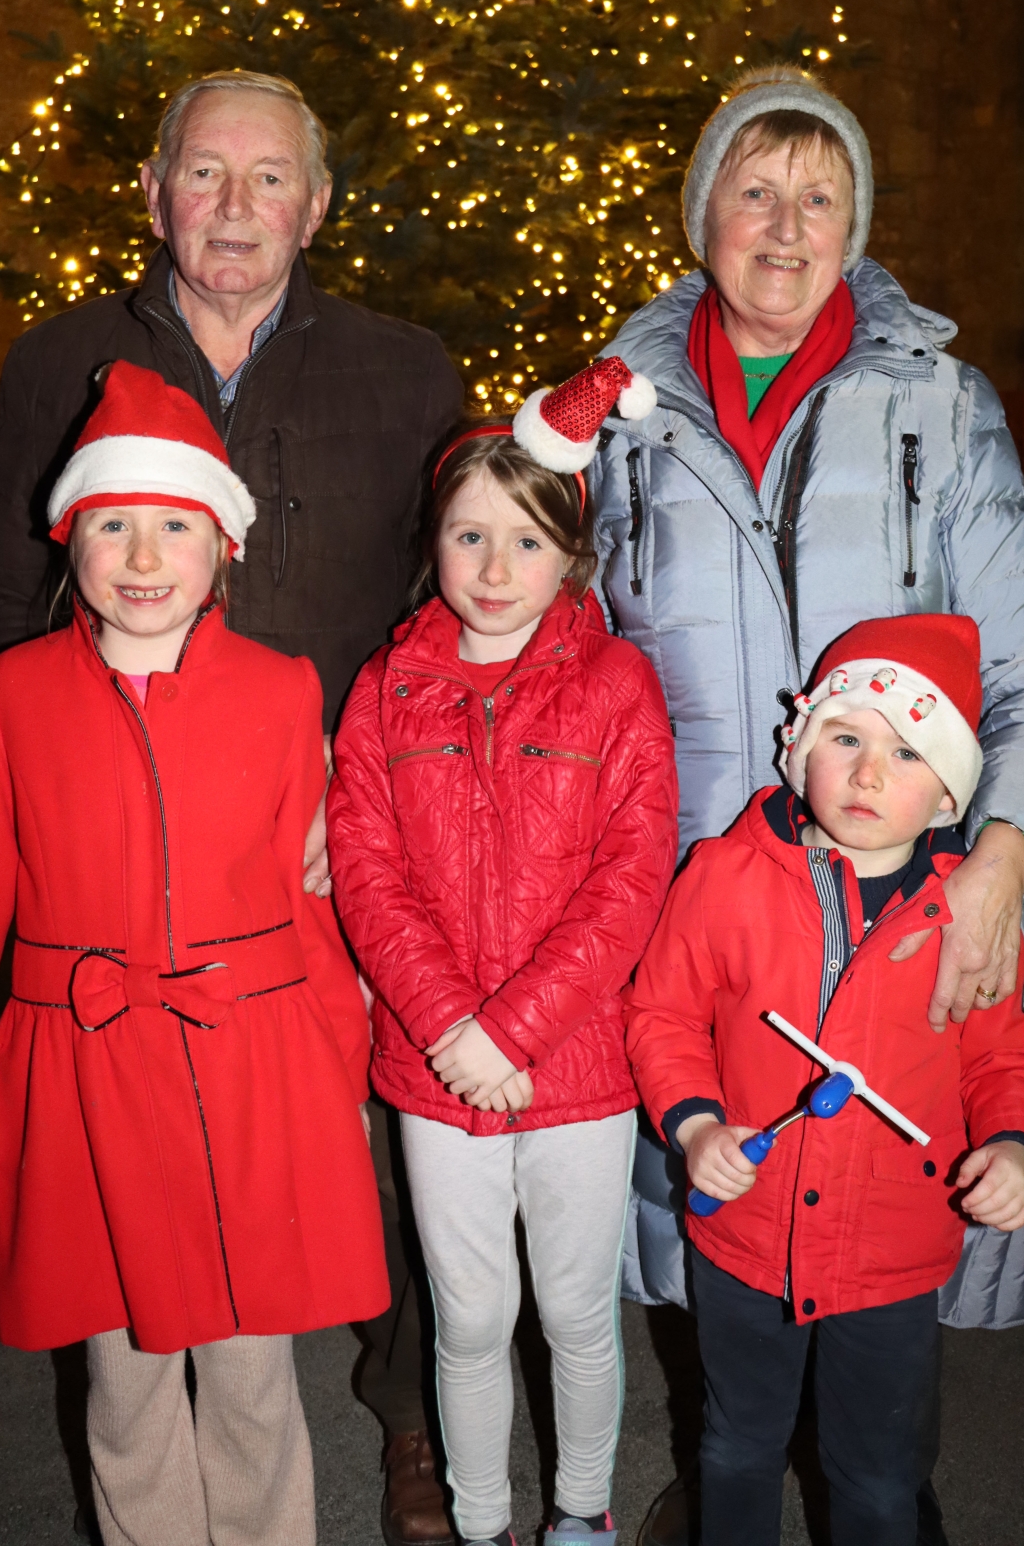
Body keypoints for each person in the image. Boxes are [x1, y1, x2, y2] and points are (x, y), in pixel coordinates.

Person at [585, 62, 1024, 1542]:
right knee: (720, 1253)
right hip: (706, 912)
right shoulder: (619, 412)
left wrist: (1003, 853)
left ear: (854, 223)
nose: (784, 225)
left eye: (820, 196)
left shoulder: (934, 400)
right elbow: (574, 649)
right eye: (753, 190)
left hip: (903, 906)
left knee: (875, 1269)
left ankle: (878, 1497)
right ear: (703, 217)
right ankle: (733, 1480)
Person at [0, 69, 465, 1543]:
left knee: (368, 1135)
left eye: (267, 180)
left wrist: (362, 787)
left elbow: (445, 606)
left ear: (314, 204)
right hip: (134, 838)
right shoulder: (57, 361)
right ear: (153, 189)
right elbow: (6, 590)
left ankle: (408, 1415)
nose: (233, 208)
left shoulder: (405, 368)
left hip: (343, 820)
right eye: (203, 174)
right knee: (158, 1151)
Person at [0, 363, 389, 1546]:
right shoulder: (9, 695)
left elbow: (313, 908)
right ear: (71, 540)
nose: (144, 556)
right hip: (82, 1077)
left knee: (256, 1378)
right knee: (127, 1376)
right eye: (113, 524)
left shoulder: (281, 693)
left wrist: (338, 1071)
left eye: (174, 526)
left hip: (252, 1069)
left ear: (223, 551)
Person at [327, 361, 681, 1546]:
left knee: (579, 1311)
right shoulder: (384, 693)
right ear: (431, 542)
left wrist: (514, 1030)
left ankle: (581, 1514)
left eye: (525, 543)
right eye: (468, 535)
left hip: (574, 1068)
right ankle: (481, 1524)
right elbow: (367, 877)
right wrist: (449, 1030)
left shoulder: (618, 687)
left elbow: (629, 882)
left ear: (571, 555)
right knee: (471, 1318)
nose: (492, 570)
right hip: (436, 1069)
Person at [624, 614, 1024, 1546]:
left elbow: (1006, 1059)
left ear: (949, 796)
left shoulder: (967, 921)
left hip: (890, 1256)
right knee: (737, 1445)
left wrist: (1020, 1146)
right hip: (745, 1238)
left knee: (877, 1472)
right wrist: (697, 1126)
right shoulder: (725, 875)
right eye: (846, 737)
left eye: (908, 752)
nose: (867, 773)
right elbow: (661, 1015)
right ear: (800, 746)